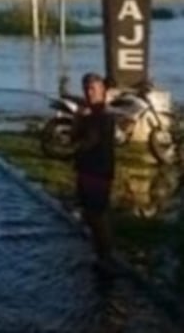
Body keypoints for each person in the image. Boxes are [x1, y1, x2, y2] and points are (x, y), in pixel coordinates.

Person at [73, 72, 116, 273]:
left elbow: (90, 141)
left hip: (99, 170)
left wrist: (79, 146)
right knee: (90, 214)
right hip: (85, 169)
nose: (89, 93)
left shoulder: (104, 115)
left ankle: (106, 258)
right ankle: (99, 255)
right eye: (86, 89)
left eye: (93, 89)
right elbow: (75, 136)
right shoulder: (87, 113)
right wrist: (78, 118)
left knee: (98, 215)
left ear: (102, 91)